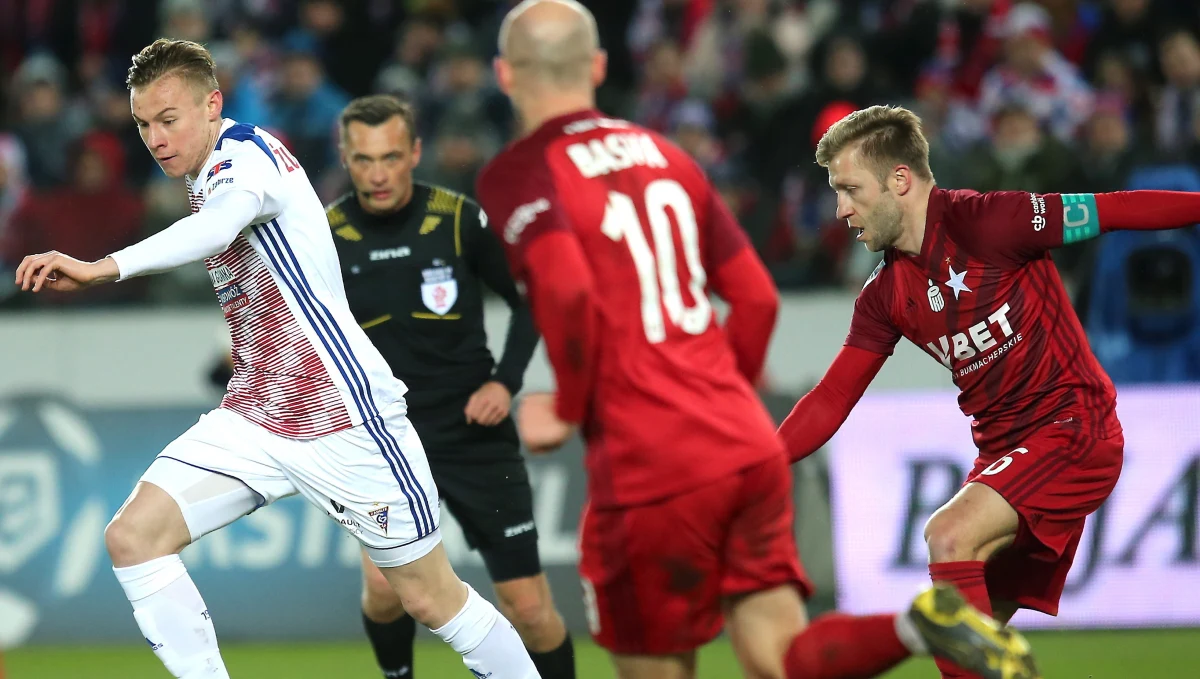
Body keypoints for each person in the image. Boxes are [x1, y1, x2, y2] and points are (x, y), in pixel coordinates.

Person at [474, 3, 1040, 679]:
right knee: (781, 659)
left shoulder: (519, 172)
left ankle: (917, 623)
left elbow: (565, 290)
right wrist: (717, 397)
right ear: (597, 67)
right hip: (742, 440)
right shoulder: (668, 156)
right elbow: (756, 297)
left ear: (506, 74)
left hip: (646, 462)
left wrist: (566, 407)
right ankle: (913, 624)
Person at [13, 39, 539, 679]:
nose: (155, 137)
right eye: (144, 124)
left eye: (169, 119)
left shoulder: (247, 158)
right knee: (132, 537)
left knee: (432, 598)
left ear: (213, 105)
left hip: (345, 416)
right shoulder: (202, 175)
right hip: (257, 412)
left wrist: (103, 268)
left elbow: (216, 229)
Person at [778, 103, 1200, 679]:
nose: (840, 210)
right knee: (966, 630)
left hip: (1075, 429)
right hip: (1003, 457)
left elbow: (1116, 210)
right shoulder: (883, 296)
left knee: (947, 535)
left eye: (850, 189)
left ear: (899, 180)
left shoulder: (992, 222)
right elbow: (830, 398)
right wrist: (762, 460)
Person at [328, 93, 575, 679]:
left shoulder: (463, 219)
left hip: (473, 437)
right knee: (386, 594)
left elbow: (531, 300)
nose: (378, 173)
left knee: (530, 608)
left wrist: (505, 382)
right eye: (363, 160)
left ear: (415, 152)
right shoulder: (324, 235)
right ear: (345, 157)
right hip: (382, 443)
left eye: (390, 156)